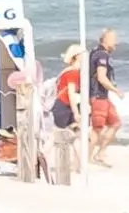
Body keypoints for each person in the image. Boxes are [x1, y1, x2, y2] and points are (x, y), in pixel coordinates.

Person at [48, 43, 83, 185]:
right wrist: (76, 112)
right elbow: (71, 93)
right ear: (76, 57)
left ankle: (78, 165)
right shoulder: (72, 73)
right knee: (59, 135)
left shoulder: (68, 72)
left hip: (63, 106)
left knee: (76, 135)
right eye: (82, 54)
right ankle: (42, 157)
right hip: (64, 107)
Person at [88, 27, 121, 164]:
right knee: (97, 130)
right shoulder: (102, 55)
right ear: (106, 40)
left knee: (116, 123)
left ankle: (100, 153)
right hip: (98, 96)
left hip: (103, 96)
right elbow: (101, 77)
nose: (116, 43)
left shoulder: (94, 52)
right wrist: (115, 90)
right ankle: (86, 158)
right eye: (114, 40)